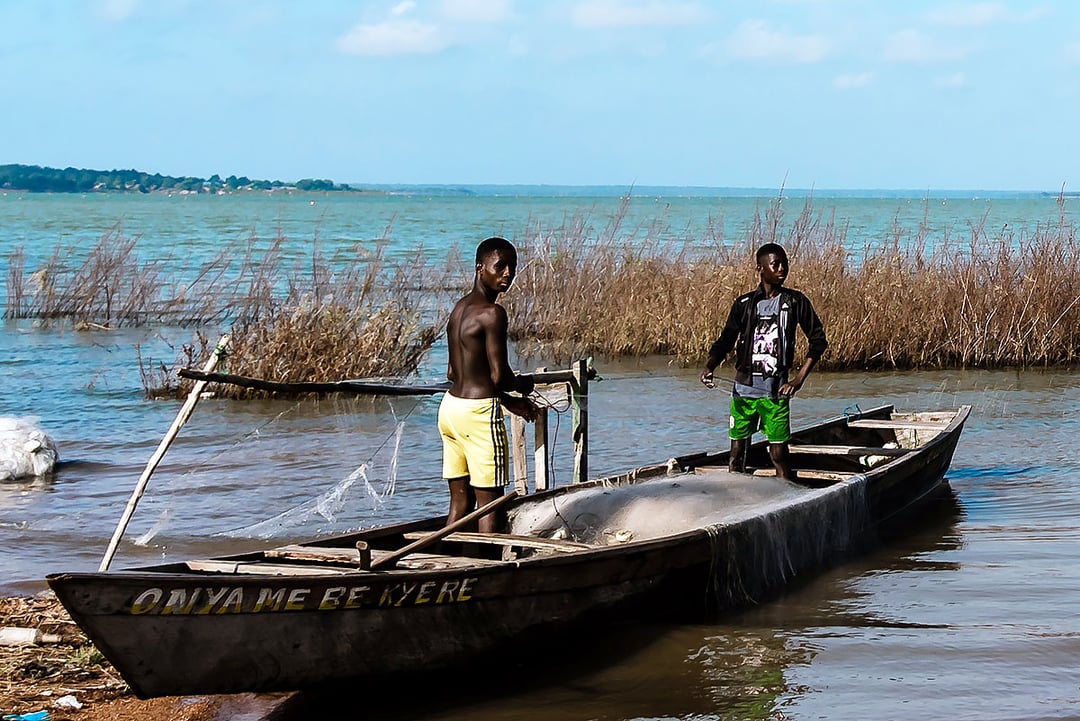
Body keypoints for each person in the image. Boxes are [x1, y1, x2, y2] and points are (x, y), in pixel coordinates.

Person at [700, 242, 828, 481]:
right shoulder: (744, 304)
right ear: (760, 269)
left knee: (778, 454)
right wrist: (709, 366)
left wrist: (797, 380)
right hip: (743, 391)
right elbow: (725, 341)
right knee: (737, 453)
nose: (782, 269)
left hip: (775, 392)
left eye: (784, 263)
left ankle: (785, 494)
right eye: (775, 264)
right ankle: (736, 492)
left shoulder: (795, 301)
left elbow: (818, 341)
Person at [439, 236, 538, 533]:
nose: (508, 273)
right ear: (480, 268)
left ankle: (449, 554)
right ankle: (489, 559)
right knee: (490, 504)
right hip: (479, 415)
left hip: (451, 410)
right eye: (500, 266)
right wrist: (522, 385)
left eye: (512, 267)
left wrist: (509, 402)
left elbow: (453, 372)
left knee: (460, 503)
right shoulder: (493, 314)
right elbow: (499, 377)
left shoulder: (459, 309)